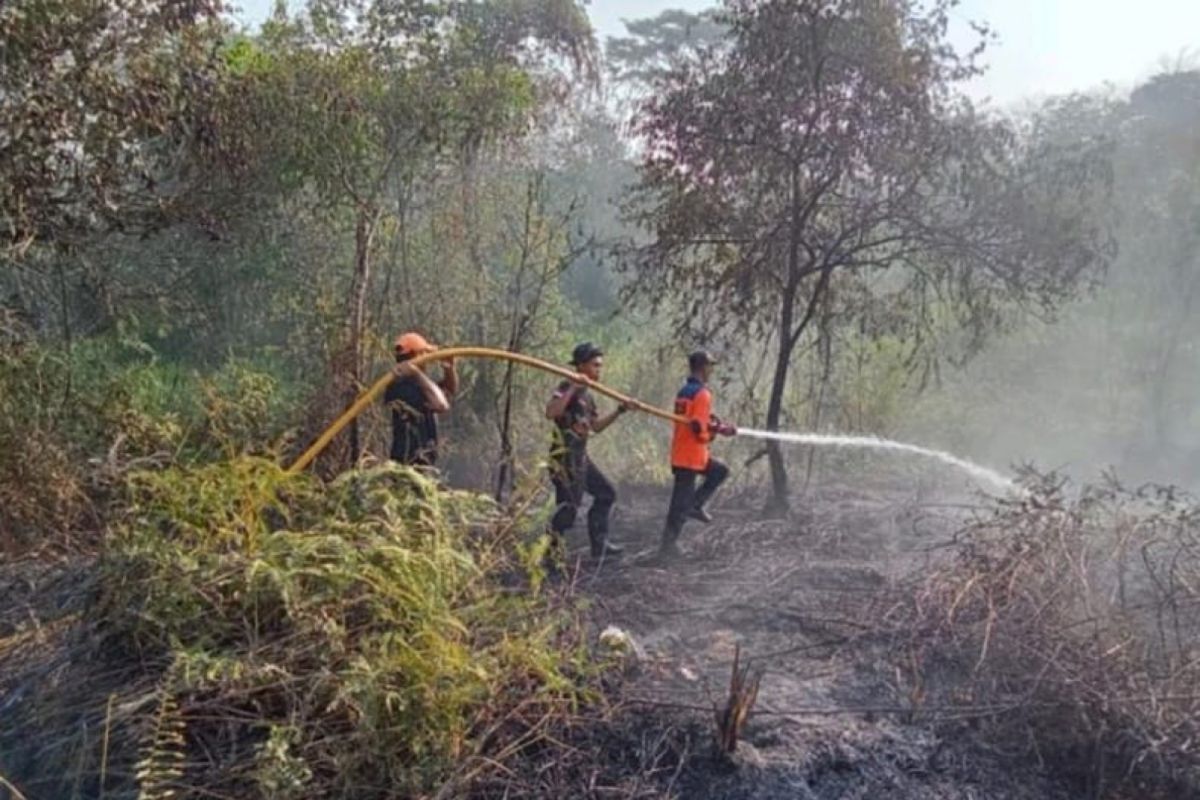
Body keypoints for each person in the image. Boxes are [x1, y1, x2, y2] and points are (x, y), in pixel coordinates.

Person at [545, 342, 632, 560]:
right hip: (564, 457)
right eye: (595, 365)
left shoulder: (589, 396)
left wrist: (620, 411)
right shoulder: (566, 387)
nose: (598, 370)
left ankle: (599, 546)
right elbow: (551, 412)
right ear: (581, 366)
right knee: (568, 510)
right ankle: (551, 555)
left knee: (606, 493)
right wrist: (574, 386)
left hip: (581, 457)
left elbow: (596, 427)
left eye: (600, 366)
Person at [658, 349, 737, 562]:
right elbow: (698, 429)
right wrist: (712, 434)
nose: (712, 370)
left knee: (719, 471)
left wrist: (717, 427)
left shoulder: (684, 391)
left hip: (685, 453)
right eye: (710, 365)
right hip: (691, 456)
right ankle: (667, 547)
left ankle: (695, 505)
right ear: (703, 367)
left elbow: (696, 421)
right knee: (679, 503)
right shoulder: (702, 394)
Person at [384, 331, 458, 468]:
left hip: (422, 462)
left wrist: (449, 368)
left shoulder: (418, 383)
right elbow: (441, 404)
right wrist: (416, 373)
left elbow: (448, 390)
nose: (428, 359)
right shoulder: (400, 387)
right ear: (416, 357)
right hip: (408, 464)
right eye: (424, 354)